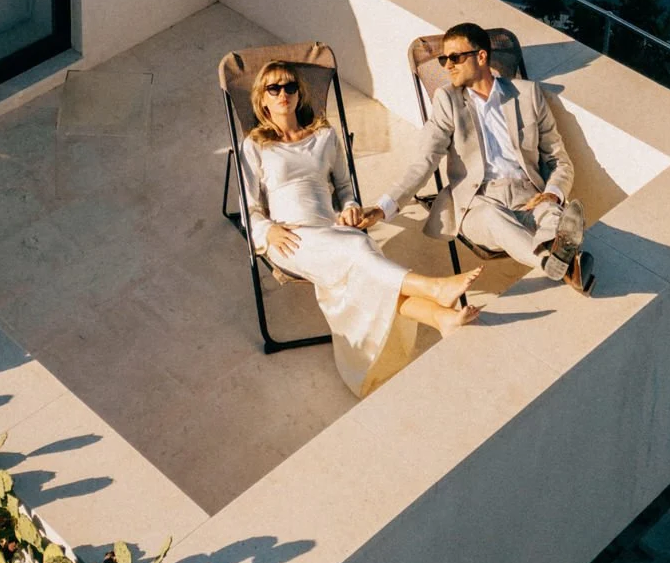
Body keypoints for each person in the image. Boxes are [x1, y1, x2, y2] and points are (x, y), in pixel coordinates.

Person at [239, 59, 482, 396]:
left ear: (299, 93)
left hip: (330, 230)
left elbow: (344, 189)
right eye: (274, 88)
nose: (283, 93)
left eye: (290, 86)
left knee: (364, 261)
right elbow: (248, 207)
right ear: (262, 99)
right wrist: (268, 231)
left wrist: (351, 208)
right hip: (290, 239)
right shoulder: (255, 145)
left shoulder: (323, 135)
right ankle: (433, 288)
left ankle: (441, 318)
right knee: (359, 249)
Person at [378, 21, 595, 293]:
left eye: (455, 58)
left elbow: (558, 160)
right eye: (444, 59)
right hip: (478, 202)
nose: (447, 66)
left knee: (552, 213)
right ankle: (554, 263)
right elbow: (424, 160)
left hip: (530, 196)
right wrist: (383, 206)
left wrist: (552, 193)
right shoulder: (447, 100)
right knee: (494, 218)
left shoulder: (527, 95)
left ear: (481, 56)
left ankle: (562, 260)